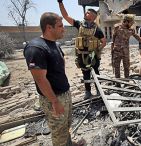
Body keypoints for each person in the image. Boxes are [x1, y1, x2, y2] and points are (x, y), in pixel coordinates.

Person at [24, 12, 72, 146]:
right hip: (53, 98)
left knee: (66, 125)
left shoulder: (55, 45)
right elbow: (40, 80)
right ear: (49, 27)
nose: (63, 29)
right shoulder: (35, 48)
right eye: (60, 26)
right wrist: (55, 102)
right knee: (58, 132)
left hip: (64, 93)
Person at [58, 0, 106, 99]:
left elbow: (104, 42)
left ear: (93, 16)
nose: (85, 13)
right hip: (82, 55)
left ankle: (98, 91)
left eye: (88, 13)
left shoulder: (97, 29)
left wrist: (97, 50)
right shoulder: (79, 24)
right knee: (85, 74)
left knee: (96, 73)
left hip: (93, 55)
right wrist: (60, 3)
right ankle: (88, 92)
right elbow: (66, 16)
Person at [111, 15, 141, 80]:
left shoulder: (131, 30)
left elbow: (138, 38)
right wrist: (112, 51)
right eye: (131, 23)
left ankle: (126, 82)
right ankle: (117, 83)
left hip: (126, 52)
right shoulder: (117, 27)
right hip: (116, 52)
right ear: (126, 21)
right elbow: (112, 40)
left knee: (127, 68)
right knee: (117, 68)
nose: (132, 24)